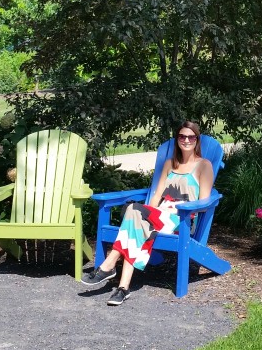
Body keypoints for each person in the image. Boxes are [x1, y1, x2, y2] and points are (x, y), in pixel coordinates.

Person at [81, 120, 214, 305]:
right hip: (157, 216)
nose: (186, 140)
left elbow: (204, 202)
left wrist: (179, 209)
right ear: (177, 139)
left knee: (134, 212)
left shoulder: (204, 165)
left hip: (180, 220)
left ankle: (109, 264)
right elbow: (157, 194)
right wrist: (151, 212)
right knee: (136, 220)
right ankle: (123, 288)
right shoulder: (169, 163)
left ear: (197, 140)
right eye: (182, 136)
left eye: (191, 137)